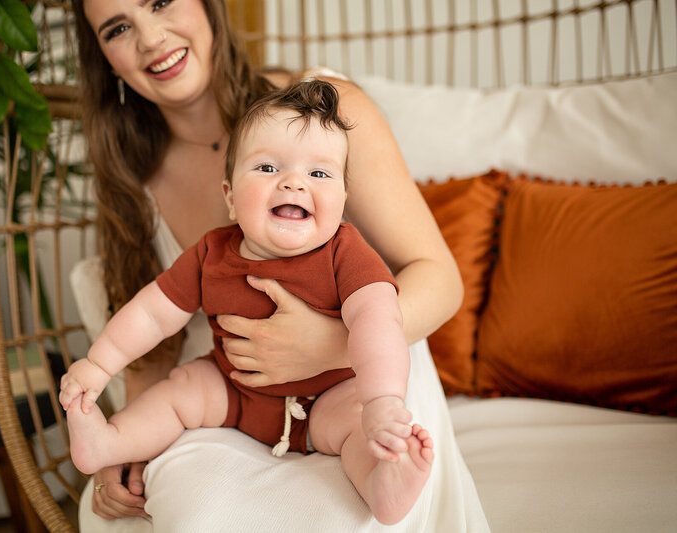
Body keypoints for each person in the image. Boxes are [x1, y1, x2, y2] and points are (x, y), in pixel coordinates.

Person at [71, 0, 466, 527]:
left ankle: (385, 477)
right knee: (191, 514)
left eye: (160, 0)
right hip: (230, 390)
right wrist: (130, 442)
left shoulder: (328, 114)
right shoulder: (130, 171)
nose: (149, 38)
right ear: (104, 59)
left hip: (365, 374)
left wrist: (325, 343)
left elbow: (440, 279)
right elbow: (153, 335)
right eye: (118, 28)